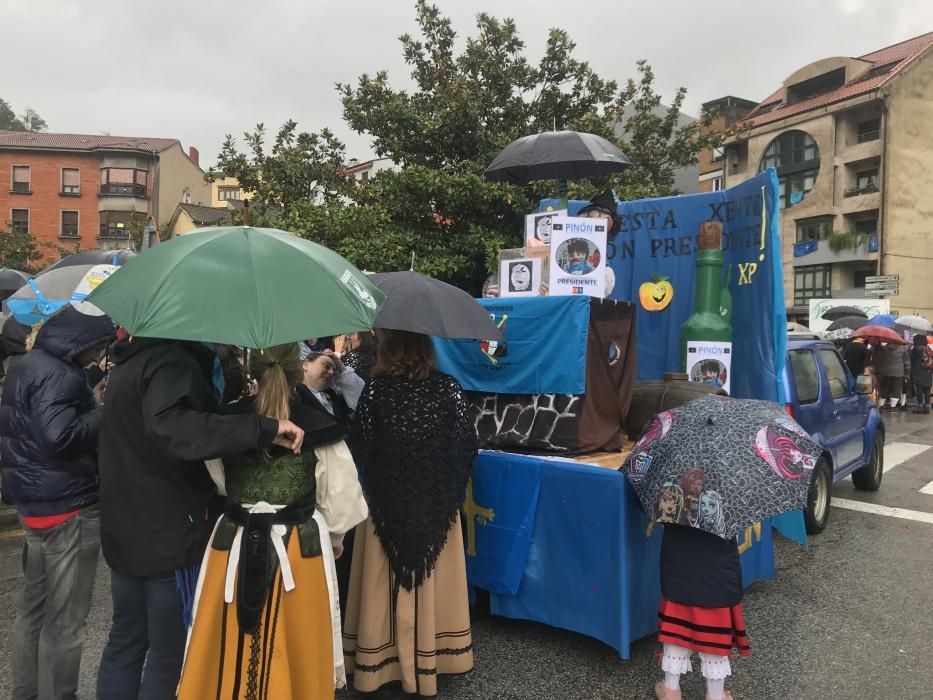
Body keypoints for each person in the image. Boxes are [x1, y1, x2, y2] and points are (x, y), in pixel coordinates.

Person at [95, 337, 305, 700]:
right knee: (168, 652)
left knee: (125, 642)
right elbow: (179, 431)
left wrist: (246, 417)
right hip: (166, 534)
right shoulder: (172, 365)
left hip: (125, 531)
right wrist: (263, 430)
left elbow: (182, 421)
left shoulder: (131, 363)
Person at [176, 343, 368, 699]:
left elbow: (218, 480)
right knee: (294, 641)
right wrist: (337, 538)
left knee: (231, 640)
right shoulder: (322, 428)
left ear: (252, 368)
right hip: (298, 547)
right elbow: (341, 502)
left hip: (233, 540)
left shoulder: (227, 422)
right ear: (299, 370)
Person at [343, 329, 476, 696]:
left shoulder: (376, 390)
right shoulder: (448, 388)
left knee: (380, 581)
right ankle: (430, 659)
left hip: (383, 506)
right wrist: (439, 488)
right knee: (431, 581)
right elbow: (464, 449)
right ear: (425, 347)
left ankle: (381, 661)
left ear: (389, 347)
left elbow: (360, 451)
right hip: (435, 506)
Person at [0, 304, 115, 700]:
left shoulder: (26, 364)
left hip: (33, 502)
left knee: (33, 609)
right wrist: (100, 411)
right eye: (98, 344)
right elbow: (59, 436)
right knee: (66, 621)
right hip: (69, 505)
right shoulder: (60, 373)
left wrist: (87, 397)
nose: (98, 353)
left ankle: (25, 693)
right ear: (82, 340)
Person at [654, 524, 749, 700]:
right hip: (717, 578)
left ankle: (670, 690)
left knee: (677, 629)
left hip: (679, 570)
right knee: (714, 636)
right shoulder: (728, 498)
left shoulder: (673, 495)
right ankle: (715, 695)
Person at [871, 341, 908, 410]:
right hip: (898, 372)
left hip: (886, 371)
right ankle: (893, 407)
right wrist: (907, 373)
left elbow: (880, 359)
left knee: (884, 388)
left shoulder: (884, 348)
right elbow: (907, 362)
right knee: (896, 389)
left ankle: (881, 405)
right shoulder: (903, 349)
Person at [909, 334, 933, 414]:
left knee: (919, 390)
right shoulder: (929, 348)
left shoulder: (916, 349)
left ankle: (920, 406)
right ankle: (927, 407)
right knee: (927, 390)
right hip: (928, 372)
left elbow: (911, 358)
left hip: (918, 372)